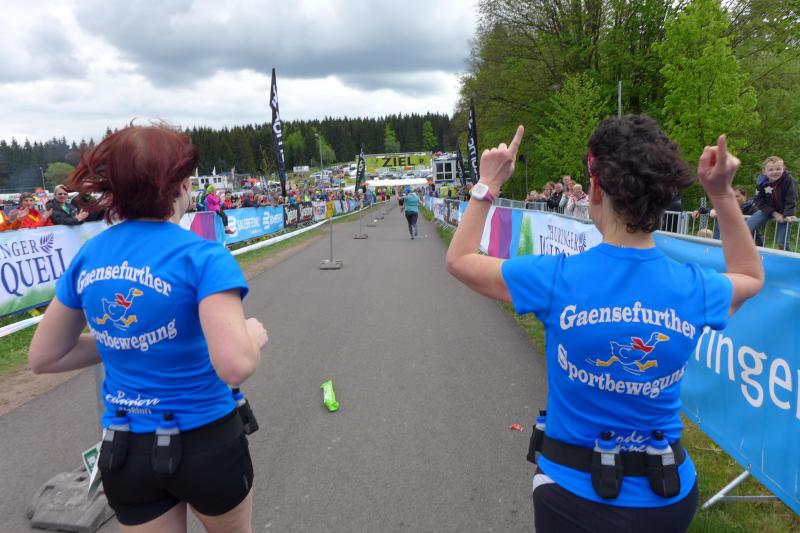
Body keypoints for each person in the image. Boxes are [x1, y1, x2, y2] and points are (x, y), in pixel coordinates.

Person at [445, 116, 763, 532]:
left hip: (572, 494)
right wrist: (720, 194)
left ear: (595, 189)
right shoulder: (693, 288)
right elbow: (750, 275)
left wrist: (488, 183)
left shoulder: (556, 279)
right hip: (666, 495)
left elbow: (460, 260)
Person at [28, 124, 268, 533]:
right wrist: (251, 335)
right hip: (205, 439)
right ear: (180, 184)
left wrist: (126, 340)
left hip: (126, 449)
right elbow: (235, 366)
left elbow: (45, 357)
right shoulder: (203, 255)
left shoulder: (90, 254)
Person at [746, 156, 797, 250]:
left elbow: (791, 197)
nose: (775, 172)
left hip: (785, 211)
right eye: (771, 170)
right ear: (764, 171)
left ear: (783, 169)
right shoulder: (761, 182)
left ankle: (787, 256)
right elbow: (758, 201)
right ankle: (750, 251)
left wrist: (789, 214)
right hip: (767, 210)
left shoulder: (788, 179)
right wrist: (774, 213)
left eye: (778, 169)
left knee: (782, 243)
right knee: (745, 229)